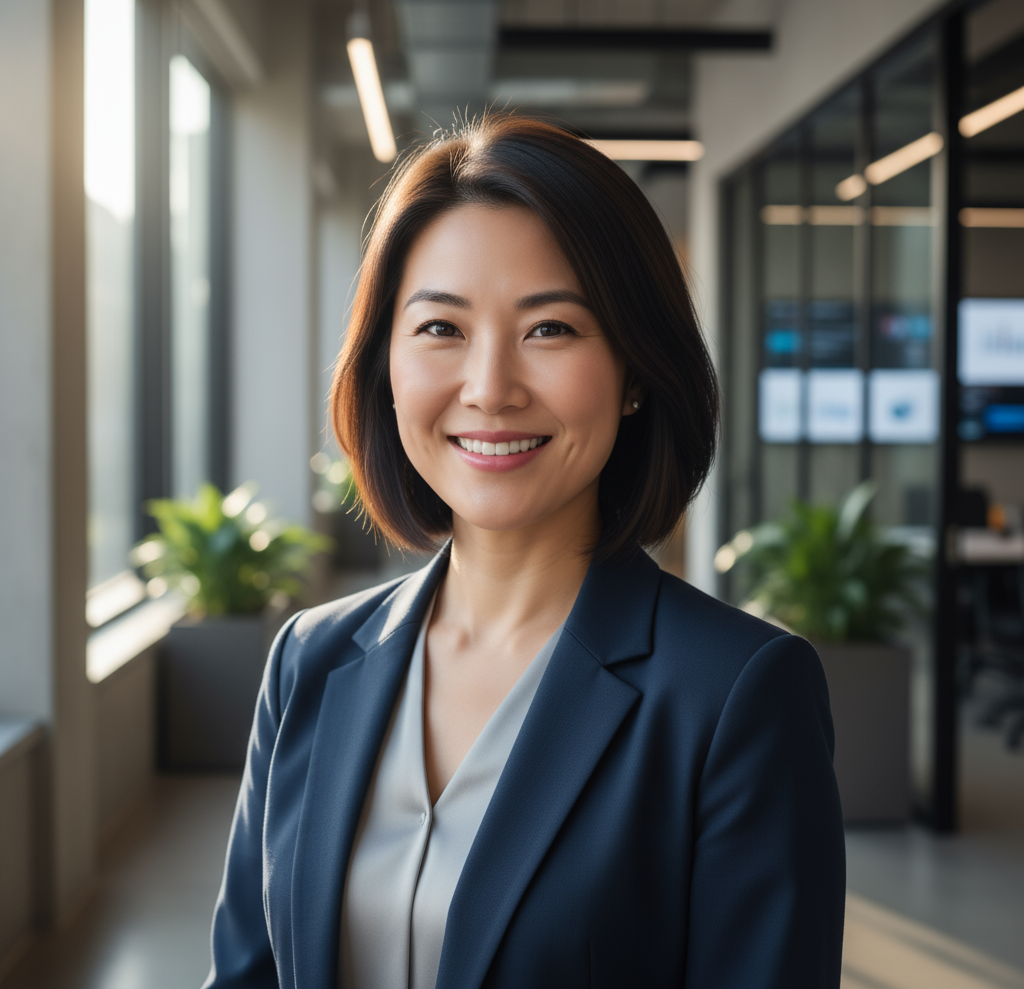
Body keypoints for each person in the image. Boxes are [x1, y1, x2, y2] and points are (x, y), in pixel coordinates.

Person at [203, 114, 846, 989]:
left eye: (551, 329)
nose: (490, 388)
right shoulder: (309, 662)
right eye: (441, 329)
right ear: (384, 366)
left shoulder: (737, 697)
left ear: (634, 373)